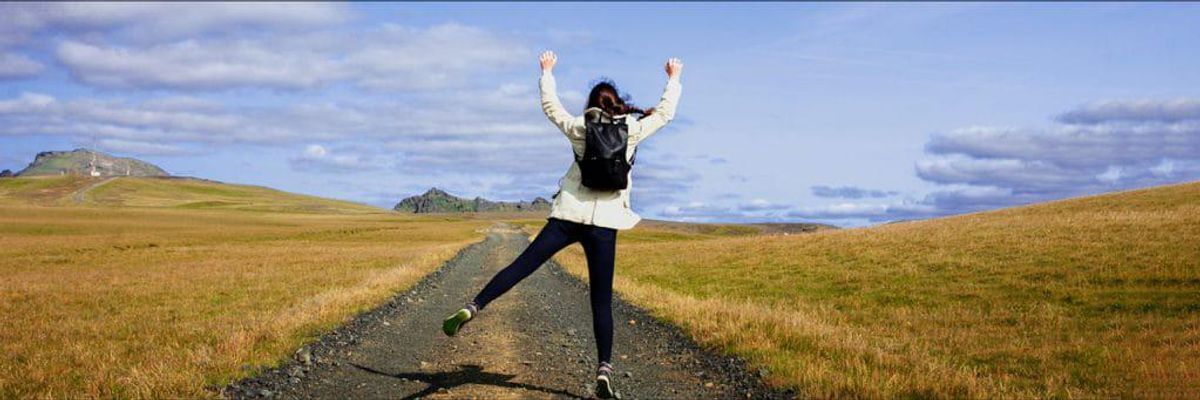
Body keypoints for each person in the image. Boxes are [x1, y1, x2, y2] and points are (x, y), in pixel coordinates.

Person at [441, 50, 682, 399]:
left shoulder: (579, 127)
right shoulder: (631, 130)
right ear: (616, 104)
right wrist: (672, 78)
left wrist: (547, 72)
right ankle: (603, 371)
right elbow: (666, 114)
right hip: (605, 224)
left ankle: (472, 306)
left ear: (591, 103)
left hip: (567, 215)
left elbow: (551, 108)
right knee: (601, 301)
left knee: (522, 265)